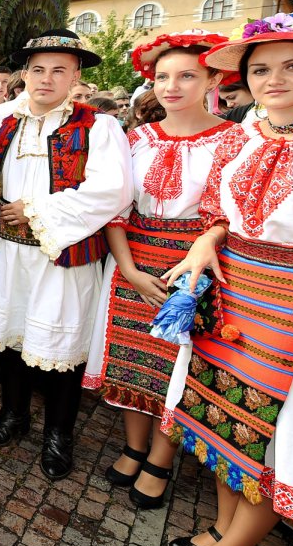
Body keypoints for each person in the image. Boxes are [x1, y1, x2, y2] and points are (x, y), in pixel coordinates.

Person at [158, 15, 293, 546]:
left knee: (282, 437)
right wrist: (205, 240)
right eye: (261, 68)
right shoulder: (242, 134)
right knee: (224, 422)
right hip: (229, 298)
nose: (275, 79)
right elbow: (218, 215)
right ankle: (223, 530)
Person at [83, 31, 231, 511]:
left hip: (194, 264)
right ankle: (134, 446)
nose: (172, 86)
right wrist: (126, 268)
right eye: (163, 76)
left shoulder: (235, 140)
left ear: (212, 78)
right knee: (131, 356)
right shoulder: (136, 138)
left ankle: (162, 460)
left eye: (187, 75)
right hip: (133, 258)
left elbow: (232, 214)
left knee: (177, 362)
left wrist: (201, 251)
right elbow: (115, 208)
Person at [0, 29, 131, 480]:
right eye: (38, 70)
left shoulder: (98, 126)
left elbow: (112, 192)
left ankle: (58, 434)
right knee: (11, 338)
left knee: (60, 346)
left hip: (62, 256)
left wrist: (36, 210)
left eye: (58, 70)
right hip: (9, 252)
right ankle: (14, 415)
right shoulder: (5, 121)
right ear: (24, 74)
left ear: (75, 75)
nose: (46, 79)